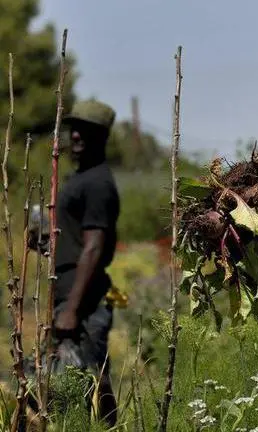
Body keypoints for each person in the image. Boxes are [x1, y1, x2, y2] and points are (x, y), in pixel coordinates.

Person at [28, 99, 120, 426]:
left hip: (82, 304)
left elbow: (93, 249)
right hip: (70, 296)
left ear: (102, 137)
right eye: (73, 129)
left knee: (87, 381)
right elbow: (76, 243)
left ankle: (107, 428)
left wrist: (71, 309)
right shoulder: (80, 179)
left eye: (87, 131)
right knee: (80, 381)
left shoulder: (97, 184)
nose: (77, 136)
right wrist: (44, 243)